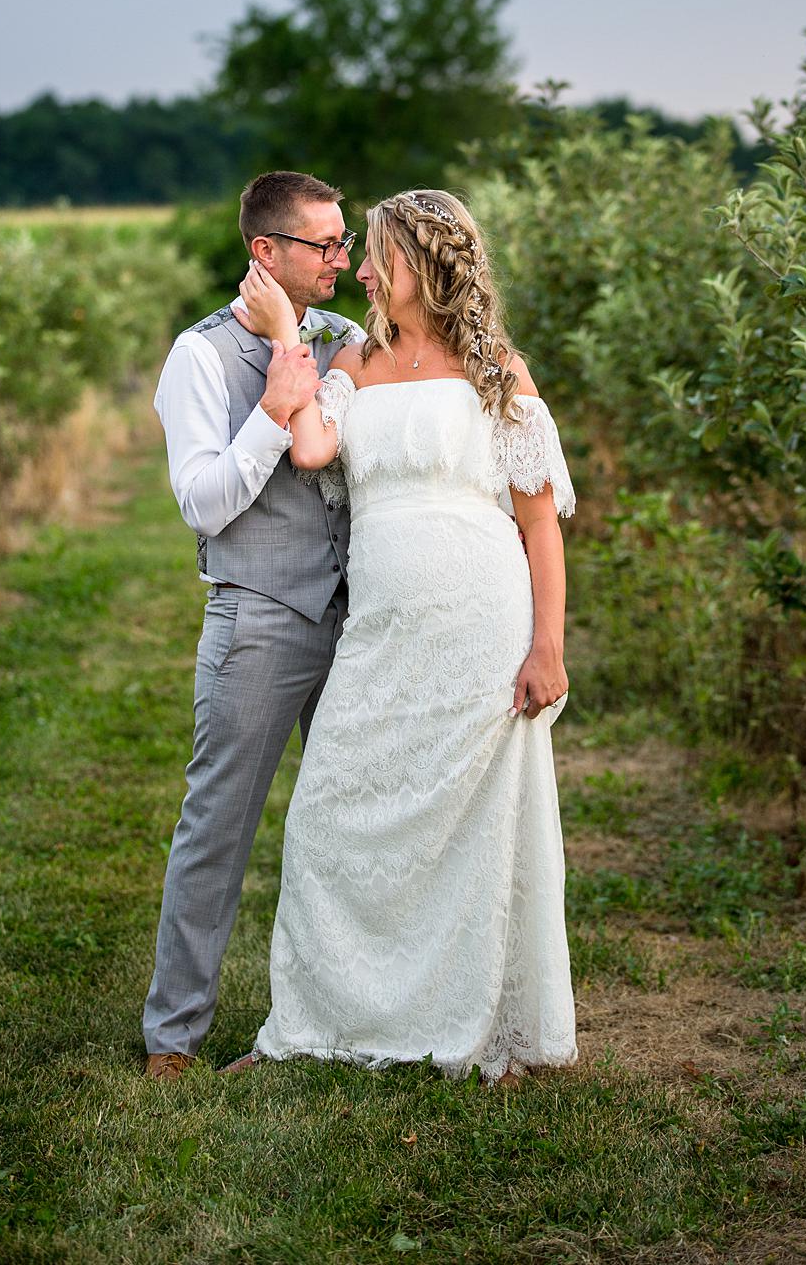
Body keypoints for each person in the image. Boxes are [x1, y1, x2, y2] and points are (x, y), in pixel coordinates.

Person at [232, 188, 578, 1084]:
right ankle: (317, 1021)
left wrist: (548, 646)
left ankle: (466, 1018)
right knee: (328, 816)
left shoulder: (499, 368)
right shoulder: (355, 357)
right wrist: (281, 334)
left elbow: (541, 524)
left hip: (482, 616)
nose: (366, 269)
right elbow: (310, 448)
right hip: (383, 623)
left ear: (425, 265)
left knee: (472, 828)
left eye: (380, 253)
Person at [141, 170, 364, 1079]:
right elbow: (203, 504)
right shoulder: (198, 359)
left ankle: (344, 1019)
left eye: (345, 242)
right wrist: (273, 412)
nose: (343, 260)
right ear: (264, 253)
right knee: (219, 826)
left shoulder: (348, 339)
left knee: (353, 825)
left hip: (360, 616)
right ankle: (174, 1035)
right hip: (260, 615)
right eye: (327, 245)